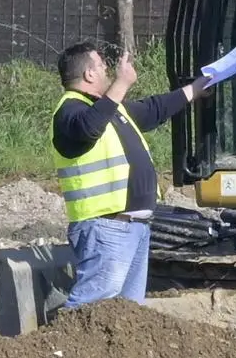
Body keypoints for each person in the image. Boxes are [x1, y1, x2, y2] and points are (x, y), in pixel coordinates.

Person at [51, 42, 214, 309]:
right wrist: (121, 84)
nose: (107, 71)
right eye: (102, 66)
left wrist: (195, 89)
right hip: (106, 227)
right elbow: (88, 129)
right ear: (89, 74)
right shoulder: (70, 110)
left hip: (134, 227)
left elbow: (154, 109)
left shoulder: (111, 109)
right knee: (91, 306)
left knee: (126, 313)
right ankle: (60, 350)